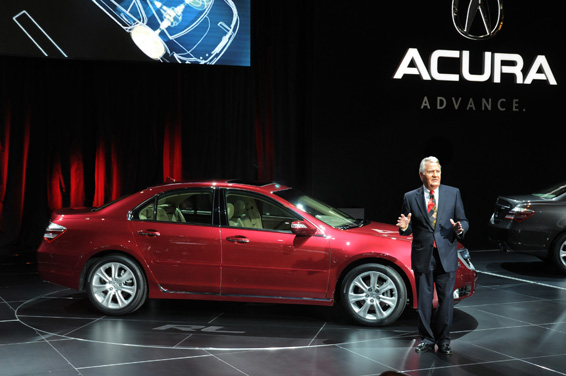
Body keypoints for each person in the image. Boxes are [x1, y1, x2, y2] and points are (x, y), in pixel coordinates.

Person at [396, 156, 469, 355]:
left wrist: (460, 228)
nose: (435, 175)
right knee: (425, 301)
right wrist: (404, 228)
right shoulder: (410, 197)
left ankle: (444, 340)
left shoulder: (453, 193)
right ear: (422, 175)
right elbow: (407, 226)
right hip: (423, 255)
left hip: (446, 254)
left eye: (438, 171)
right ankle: (427, 339)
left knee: (446, 301)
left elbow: (463, 219)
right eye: (431, 172)